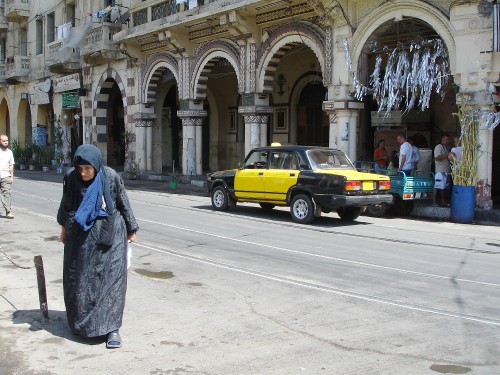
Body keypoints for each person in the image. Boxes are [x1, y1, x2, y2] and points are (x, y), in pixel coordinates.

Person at [57, 144, 139, 349]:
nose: (84, 173)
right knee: (79, 280)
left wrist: (131, 229)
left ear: (96, 165)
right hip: (80, 239)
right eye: (80, 168)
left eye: (88, 168)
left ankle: (112, 329)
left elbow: (122, 202)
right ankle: (81, 325)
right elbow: (65, 205)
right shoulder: (71, 178)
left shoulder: (110, 176)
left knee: (111, 283)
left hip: (109, 236)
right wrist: (64, 230)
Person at [433, 133, 451, 207]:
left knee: (443, 187)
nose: (448, 141)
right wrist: (447, 155)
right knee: (437, 186)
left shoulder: (445, 147)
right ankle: (434, 202)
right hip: (440, 171)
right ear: (442, 139)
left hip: (445, 170)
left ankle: (443, 201)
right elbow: (437, 158)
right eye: (446, 139)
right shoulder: (438, 147)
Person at [0, 134, 14, 219]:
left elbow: (11, 164)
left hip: (5, 176)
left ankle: (8, 211)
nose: (6, 142)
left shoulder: (9, 152)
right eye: (4, 141)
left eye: (7, 141)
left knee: (7, 194)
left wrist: (11, 176)